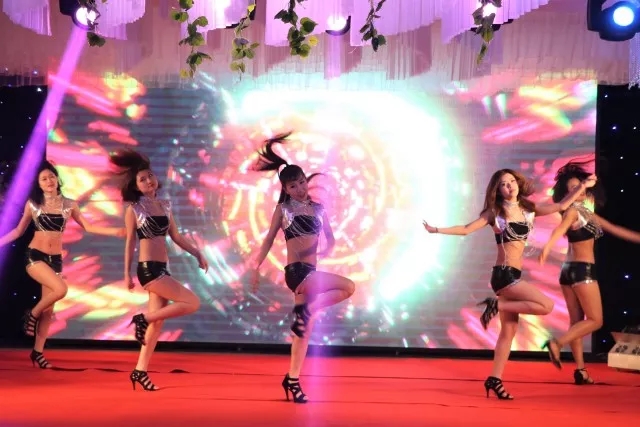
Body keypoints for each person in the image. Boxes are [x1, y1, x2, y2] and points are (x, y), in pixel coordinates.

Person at [422, 168, 596, 400]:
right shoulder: (495, 213)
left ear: (517, 183)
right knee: (546, 305)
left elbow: (561, 205)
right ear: (498, 190)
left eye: (512, 181)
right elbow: (465, 230)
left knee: (508, 332)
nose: (510, 186)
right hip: (504, 276)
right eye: (504, 184)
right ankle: (497, 305)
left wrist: (582, 186)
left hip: (514, 274)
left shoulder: (528, 209)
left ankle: (494, 379)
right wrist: (436, 230)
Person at [248, 133, 356, 404]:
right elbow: (268, 240)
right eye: (292, 186)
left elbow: (330, 239)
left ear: (306, 182)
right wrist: (256, 267)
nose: (299, 189)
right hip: (297, 273)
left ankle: (292, 379)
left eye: (301, 183)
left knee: (302, 331)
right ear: (285, 189)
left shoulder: (319, 209)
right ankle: (308, 310)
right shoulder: (283, 210)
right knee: (348, 286)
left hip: (310, 271)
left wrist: (323, 250)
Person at [0, 160, 125, 369]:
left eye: (51, 176)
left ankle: (38, 353)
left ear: (57, 179)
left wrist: (116, 231)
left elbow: (88, 227)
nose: (49, 181)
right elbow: (18, 231)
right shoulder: (34, 204)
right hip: (35, 256)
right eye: (43, 179)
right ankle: (32, 314)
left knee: (49, 310)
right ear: (39, 184)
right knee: (61, 290)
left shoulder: (69, 204)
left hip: (55, 260)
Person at [110, 149, 208, 391]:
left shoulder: (165, 205)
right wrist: (126, 274)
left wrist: (197, 252)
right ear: (135, 186)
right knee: (192, 302)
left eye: (150, 176)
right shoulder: (134, 209)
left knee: (157, 325)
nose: (148, 181)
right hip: (148, 270)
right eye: (142, 179)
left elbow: (176, 237)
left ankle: (140, 371)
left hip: (163, 268)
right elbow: (130, 242)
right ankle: (142, 319)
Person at [539, 159, 640, 384]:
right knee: (596, 320)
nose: (579, 190)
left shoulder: (586, 212)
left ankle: (581, 371)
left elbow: (616, 230)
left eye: (579, 186)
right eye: (572, 188)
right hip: (582, 270)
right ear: (566, 193)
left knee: (577, 323)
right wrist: (547, 246)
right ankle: (557, 343)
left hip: (567, 272)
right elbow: (559, 230)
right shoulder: (574, 211)